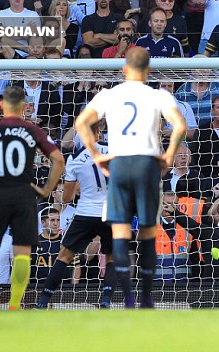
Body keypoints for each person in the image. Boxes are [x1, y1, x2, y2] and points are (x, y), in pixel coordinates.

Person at [74, 47, 187, 308]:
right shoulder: (159, 94)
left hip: (121, 163)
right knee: (148, 231)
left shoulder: (108, 95)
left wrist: (96, 154)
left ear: (124, 70)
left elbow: (82, 122)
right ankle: (147, 297)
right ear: (148, 71)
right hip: (147, 163)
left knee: (121, 232)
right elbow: (180, 126)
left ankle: (128, 298)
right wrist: (169, 156)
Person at [0, 86, 65, 310]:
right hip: (25, 195)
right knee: (22, 253)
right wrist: (47, 189)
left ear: (1, 105)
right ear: (25, 106)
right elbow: (58, 159)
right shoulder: (32, 130)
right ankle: (14, 305)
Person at [36, 123, 116, 309]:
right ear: (98, 133)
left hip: (86, 213)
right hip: (110, 212)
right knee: (111, 257)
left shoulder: (74, 158)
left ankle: (42, 302)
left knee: (64, 257)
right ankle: (106, 300)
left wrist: (82, 189)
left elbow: (67, 197)